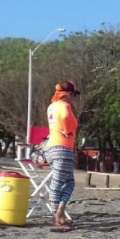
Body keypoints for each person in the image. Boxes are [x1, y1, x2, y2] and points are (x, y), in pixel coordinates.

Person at [46, 81, 80, 229]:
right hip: (63, 148)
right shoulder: (65, 106)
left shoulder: (51, 106)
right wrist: (68, 130)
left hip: (51, 147)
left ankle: (60, 212)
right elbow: (66, 117)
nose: (73, 99)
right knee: (58, 183)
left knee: (69, 182)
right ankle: (58, 216)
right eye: (73, 95)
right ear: (69, 94)